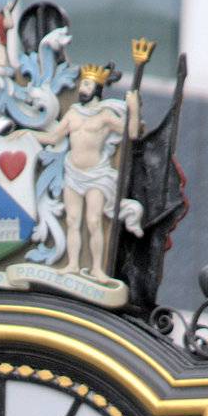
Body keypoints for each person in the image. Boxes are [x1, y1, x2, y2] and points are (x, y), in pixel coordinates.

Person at [38, 62, 141, 279]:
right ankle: (73, 264)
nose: (81, 89)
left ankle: (97, 269)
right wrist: (25, 135)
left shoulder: (104, 116)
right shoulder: (73, 114)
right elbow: (53, 138)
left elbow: (131, 133)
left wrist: (133, 108)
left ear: (96, 87)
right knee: (73, 221)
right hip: (73, 172)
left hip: (97, 175)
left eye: (86, 84)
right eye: (82, 84)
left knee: (94, 221)